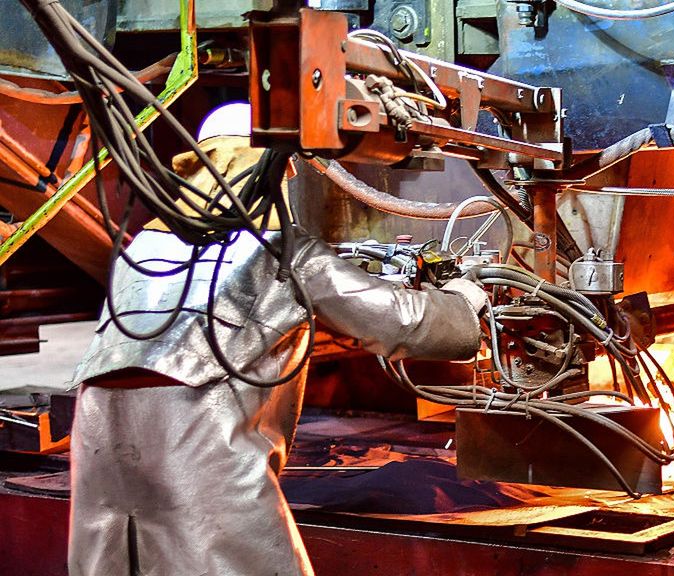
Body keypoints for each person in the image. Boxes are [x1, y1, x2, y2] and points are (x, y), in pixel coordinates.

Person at [67, 109, 487, 576]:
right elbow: (401, 323)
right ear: (269, 167)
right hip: (198, 445)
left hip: (100, 446)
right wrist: (467, 301)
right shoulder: (277, 252)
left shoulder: (139, 249)